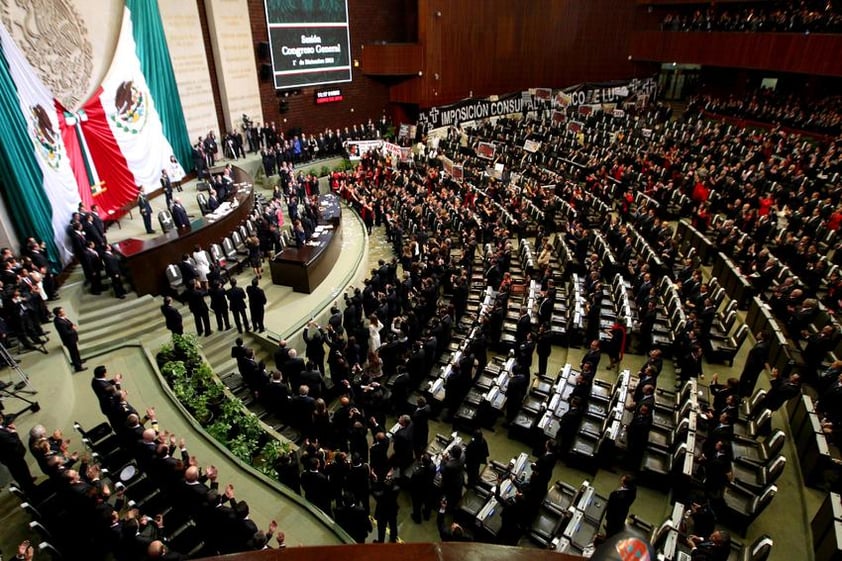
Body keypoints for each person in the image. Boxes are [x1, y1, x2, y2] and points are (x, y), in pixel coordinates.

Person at [0, 413, 36, 494]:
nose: (1, 416)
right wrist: (14, 432)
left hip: (8, 457)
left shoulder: (2, 428)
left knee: (20, 472)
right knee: (21, 473)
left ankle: (27, 482)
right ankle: (30, 489)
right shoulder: (1, 434)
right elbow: (13, 442)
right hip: (12, 457)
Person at [53, 306, 85, 372]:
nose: (64, 312)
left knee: (76, 351)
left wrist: (72, 326)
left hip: (72, 339)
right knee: (73, 353)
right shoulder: (59, 322)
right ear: (59, 314)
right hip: (69, 340)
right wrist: (73, 329)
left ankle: (79, 361)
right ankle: (78, 367)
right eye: (62, 311)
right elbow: (65, 332)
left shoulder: (62, 318)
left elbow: (69, 324)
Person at [739, 331, 770, 398]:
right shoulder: (765, 344)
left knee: (745, 380)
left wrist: (749, 368)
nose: (757, 334)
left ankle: (742, 393)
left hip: (752, 368)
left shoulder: (760, 348)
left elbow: (760, 360)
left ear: (762, 337)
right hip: (755, 368)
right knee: (751, 380)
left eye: (759, 334)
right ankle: (747, 392)